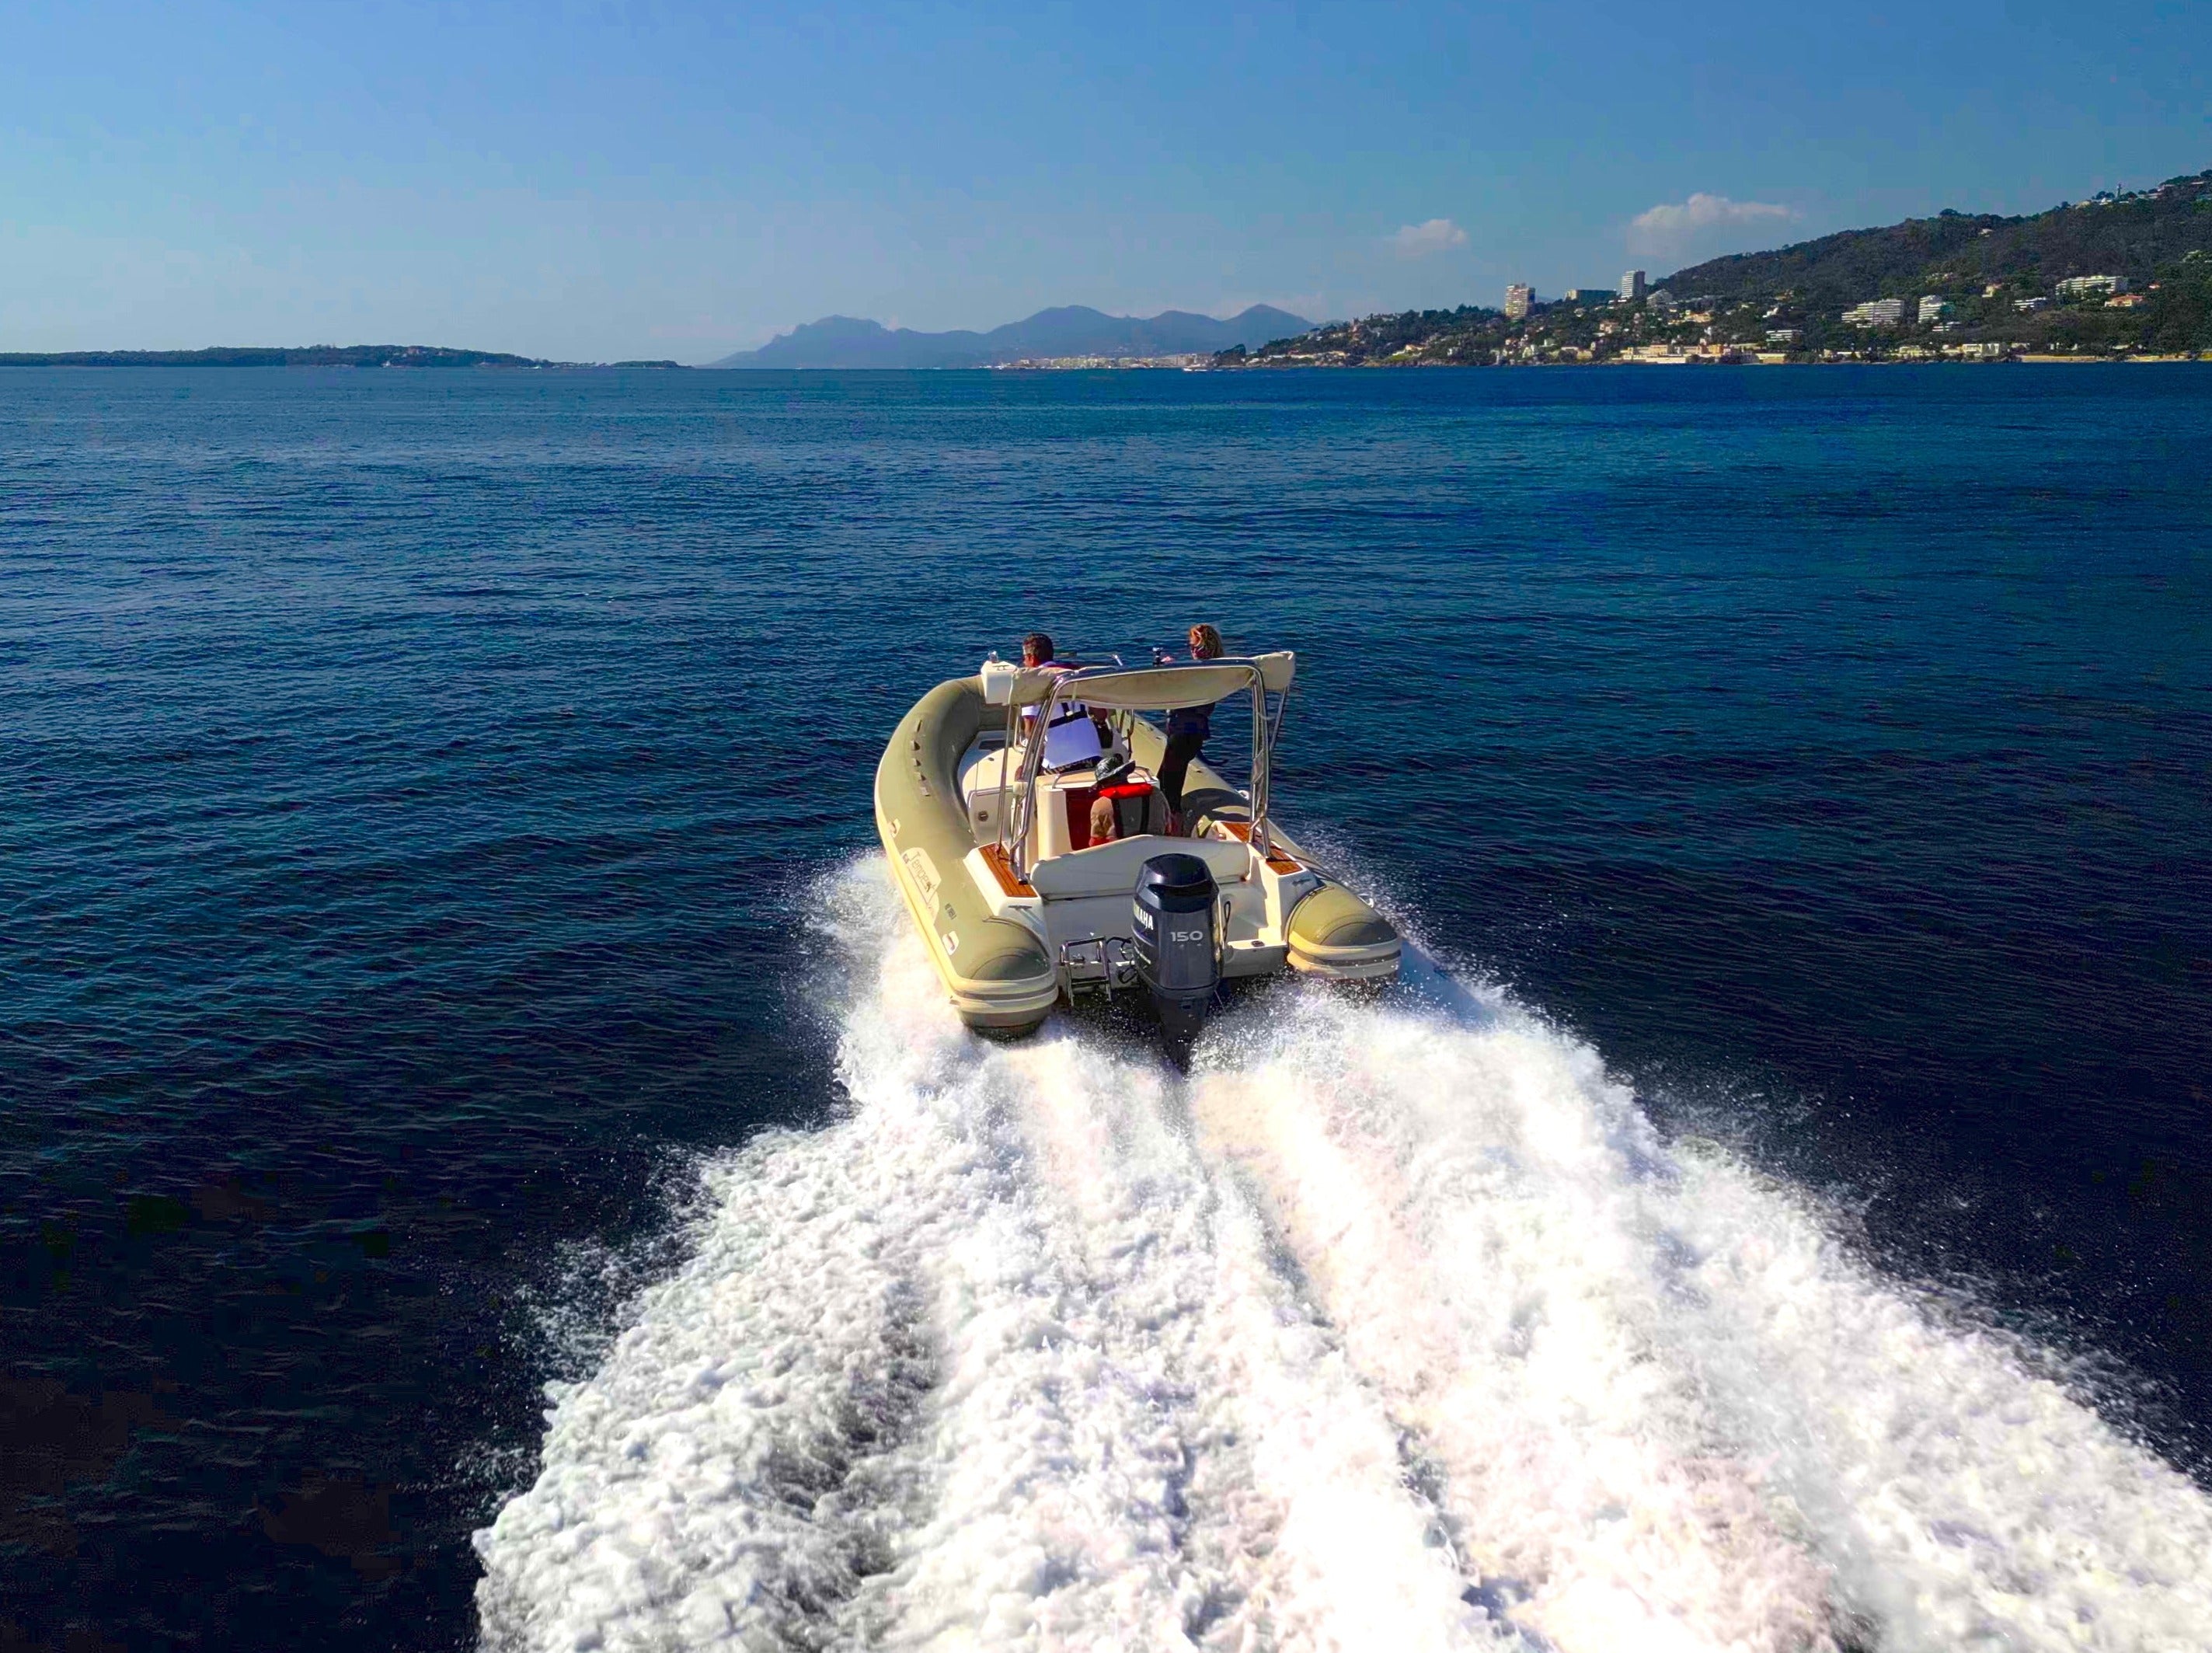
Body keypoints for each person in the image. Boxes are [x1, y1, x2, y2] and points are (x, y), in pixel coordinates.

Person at [1158, 622, 1224, 828]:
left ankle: (1173, 827)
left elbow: (1190, 697)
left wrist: (1172, 671)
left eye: (1196, 647)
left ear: (1208, 646)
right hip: (1189, 733)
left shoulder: (1206, 672)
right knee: (1170, 781)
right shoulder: (1215, 671)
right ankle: (1173, 823)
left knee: (1169, 785)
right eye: (1191, 647)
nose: (1193, 651)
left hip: (1185, 733)